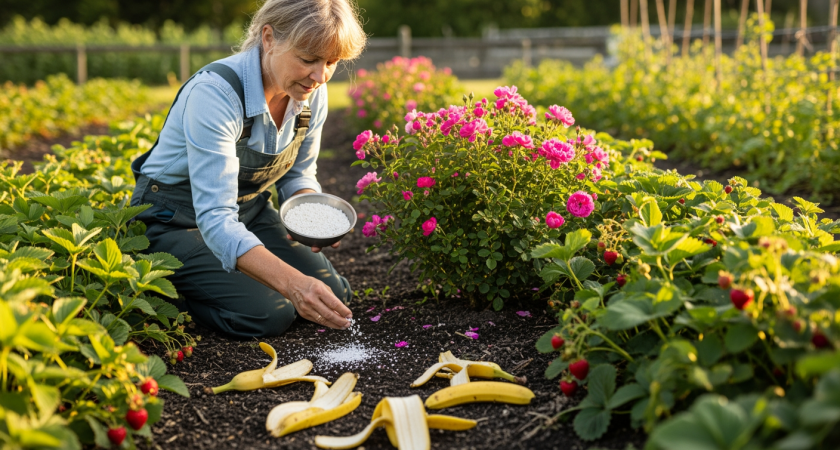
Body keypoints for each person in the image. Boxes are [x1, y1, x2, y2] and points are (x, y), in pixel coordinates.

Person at [130, 0, 367, 338]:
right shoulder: (215, 95)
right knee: (270, 312)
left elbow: (298, 174)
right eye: (308, 59)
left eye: (331, 62)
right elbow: (214, 217)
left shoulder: (311, 92)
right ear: (268, 38)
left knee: (334, 293)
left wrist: (309, 216)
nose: (320, 76)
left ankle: (228, 281)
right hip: (176, 221)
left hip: (247, 212)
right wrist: (291, 284)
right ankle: (168, 295)